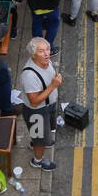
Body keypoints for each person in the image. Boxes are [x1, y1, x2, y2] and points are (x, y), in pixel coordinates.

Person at [19, 37, 62, 172]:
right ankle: (37, 161)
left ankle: (39, 141)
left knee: (42, 134)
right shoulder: (29, 76)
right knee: (39, 139)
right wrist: (53, 86)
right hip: (36, 112)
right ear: (33, 55)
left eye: (47, 49)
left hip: (48, 106)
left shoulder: (46, 62)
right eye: (41, 51)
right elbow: (34, 101)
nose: (47, 53)